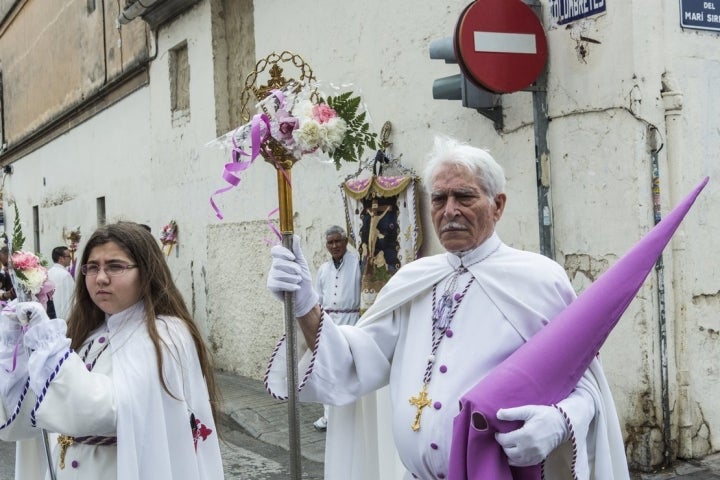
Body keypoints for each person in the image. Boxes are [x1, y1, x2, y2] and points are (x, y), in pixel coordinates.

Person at [265, 136, 629, 479]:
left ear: (497, 205)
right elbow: (350, 361)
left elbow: (586, 386)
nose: (449, 210)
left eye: (464, 197)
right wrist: (305, 302)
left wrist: (560, 420)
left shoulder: (539, 280)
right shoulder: (414, 279)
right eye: (439, 199)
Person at [0, 221, 223, 479]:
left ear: (147, 272)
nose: (101, 278)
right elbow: (34, 413)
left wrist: (47, 347)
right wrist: (17, 355)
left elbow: (107, 410)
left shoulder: (166, 335)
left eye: (116, 266)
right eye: (92, 267)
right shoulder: (86, 333)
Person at [312, 225, 361, 431]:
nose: (334, 246)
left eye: (337, 241)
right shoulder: (324, 269)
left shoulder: (358, 264)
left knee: (349, 371)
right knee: (328, 370)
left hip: (352, 321)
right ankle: (328, 416)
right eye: (330, 243)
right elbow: (318, 299)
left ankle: (350, 416)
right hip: (329, 324)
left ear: (345, 241)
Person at [47, 246, 75, 320]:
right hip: (65, 317)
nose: (71, 259)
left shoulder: (48, 273)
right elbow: (71, 299)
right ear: (61, 259)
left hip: (51, 316)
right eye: (68, 256)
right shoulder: (65, 275)